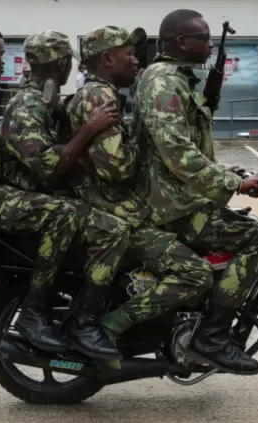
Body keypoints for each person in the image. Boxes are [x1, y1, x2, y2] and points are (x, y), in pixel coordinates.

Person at [134, 9, 258, 376]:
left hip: (180, 197)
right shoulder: (163, 82)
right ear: (182, 41)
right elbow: (176, 153)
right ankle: (211, 337)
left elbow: (189, 147)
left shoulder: (178, 80)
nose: (210, 44)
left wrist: (229, 173)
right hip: (173, 207)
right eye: (204, 38)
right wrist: (233, 184)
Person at [66, 25, 215, 361]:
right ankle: (101, 326)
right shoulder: (97, 97)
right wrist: (147, 143)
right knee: (195, 273)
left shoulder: (107, 95)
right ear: (107, 59)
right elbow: (116, 168)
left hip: (121, 208)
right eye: (129, 54)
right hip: (114, 211)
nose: (136, 62)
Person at [2, 30, 130, 360]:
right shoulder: (27, 106)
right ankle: (59, 316)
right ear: (61, 64)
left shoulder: (48, 99)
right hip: (19, 196)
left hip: (39, 193)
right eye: (68, 62)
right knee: (107, 229)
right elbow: (49, 166)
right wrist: (89, 129)